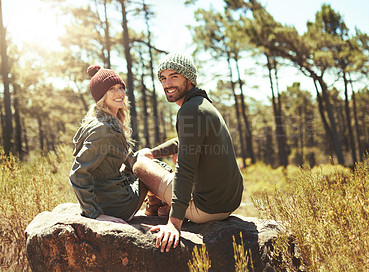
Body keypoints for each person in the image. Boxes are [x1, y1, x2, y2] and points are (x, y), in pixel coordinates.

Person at [131, 52, 243, 253]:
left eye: (174, 76)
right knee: (149, 158)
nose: (167, 84)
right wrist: (153, 153)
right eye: (163, 78)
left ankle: (156, 206)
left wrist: (174, 224)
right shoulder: (202, 105)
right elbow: (183, 141)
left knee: (139, 164)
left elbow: (185, 168)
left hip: (206, 209)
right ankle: (160, 206)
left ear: (189, 79)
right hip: (228, 203)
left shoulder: (190, 110)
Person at [69, 65, 148, 224]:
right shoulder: (103, 129)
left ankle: (156, 208)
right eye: (112, 89)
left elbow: (124, 156)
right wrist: (95, 215)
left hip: (110, 197)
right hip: (116, 205)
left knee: (145, 156)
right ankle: (184, 211)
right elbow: (78, 173)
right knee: (158, 168)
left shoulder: (107, 121)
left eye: (121, 88)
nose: (120, 93)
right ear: (101, 96)